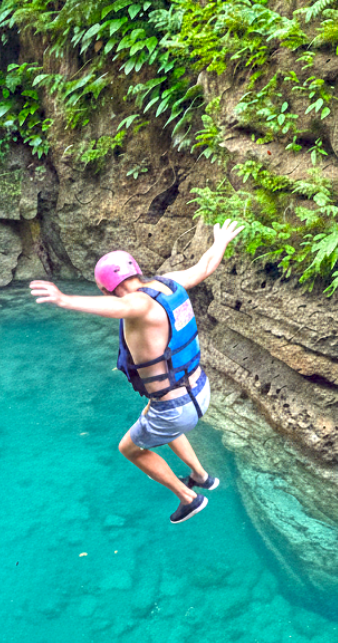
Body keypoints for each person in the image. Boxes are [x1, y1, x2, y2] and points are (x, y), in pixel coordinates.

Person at [30, 221, 245, 524]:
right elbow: (205, 266)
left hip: (176, 408)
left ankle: (190, 498)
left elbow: (116, 308)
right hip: (200, 390)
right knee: (151, 413)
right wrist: (220, 241)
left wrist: (64, 300)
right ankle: (201, 475)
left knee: (129, 448)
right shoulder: (169, 283)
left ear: (106, 289)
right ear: (136, 270)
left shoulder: (137, 304)